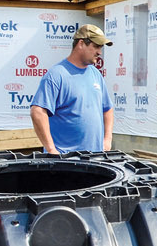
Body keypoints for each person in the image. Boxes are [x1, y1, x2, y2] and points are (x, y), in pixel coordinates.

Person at [30, 24, 114, 154]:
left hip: (95, 158)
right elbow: (37, 111)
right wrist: (51, 150)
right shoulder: (56, 75)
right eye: (96, 46)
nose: (99, 52)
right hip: (65, 161)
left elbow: (107, 109)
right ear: (81, 44)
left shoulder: (96, 74)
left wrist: (107, 139)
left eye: (100, 47)